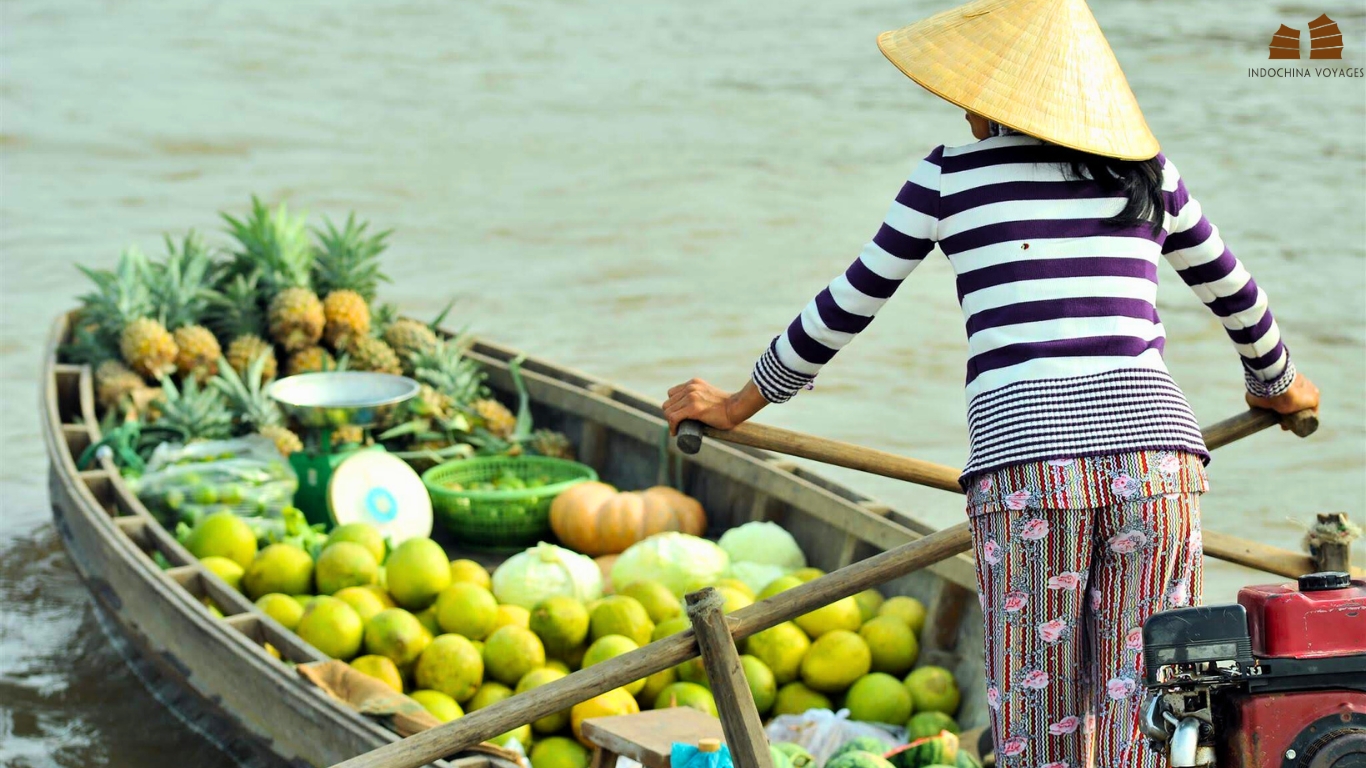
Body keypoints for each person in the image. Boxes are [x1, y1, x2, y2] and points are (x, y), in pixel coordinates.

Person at [660, 0, 1320, 765]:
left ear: (996, 103)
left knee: (1037, 724)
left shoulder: (948, 174)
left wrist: (745, 399)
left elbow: (849, 303)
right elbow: (1238, 296)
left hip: (1029, 466)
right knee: (1141, 711)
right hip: (1157, 462)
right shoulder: (1147, 173)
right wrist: (1278, 385)